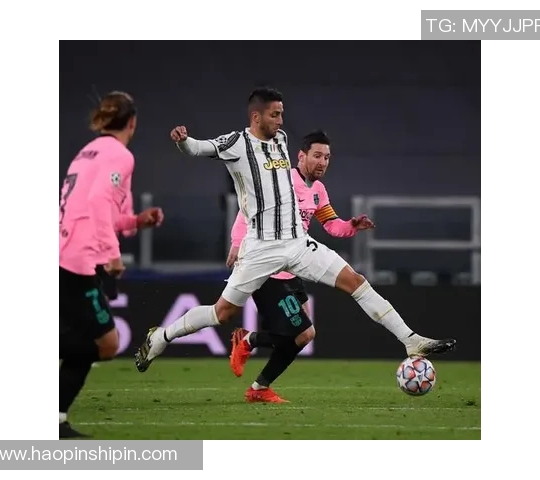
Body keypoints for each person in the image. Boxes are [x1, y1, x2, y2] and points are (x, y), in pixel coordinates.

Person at [134, 87, 456, 382]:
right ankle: (161, 337)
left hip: (297, 244)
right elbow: (198, 149)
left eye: (282, 114)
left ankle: (410, 340)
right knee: (223, 313)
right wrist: (183, 141)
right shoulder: (236, 144)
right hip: (261, 248)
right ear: (256, 116)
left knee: (355, 281)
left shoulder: (281, 140)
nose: (280, 120)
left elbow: (328, 221)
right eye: (275, 114)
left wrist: (350, 225)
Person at [225, 130, 375, 402]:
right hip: (269, 267)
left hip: (293, 266)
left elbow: (331, 225)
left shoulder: (318, 190)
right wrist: (237, 243)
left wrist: (351, 225)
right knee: (302, 332)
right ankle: (252, 361)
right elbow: (247, 212)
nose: (322, 162)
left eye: (327, 157)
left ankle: (257, 377)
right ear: (301, 156)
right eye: (317, 155)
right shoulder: (281, 181)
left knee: (304, 335)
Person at [59, 91, 163, 438]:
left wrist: (136, 221)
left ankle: (56, 419)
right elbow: (98, 201)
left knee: (86, 341)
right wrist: (112, 253)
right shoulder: (120, 155)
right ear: (132, 122)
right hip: (78, 259)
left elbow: (99, 211)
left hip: (65, 250)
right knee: (106, 344)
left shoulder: (87, 152)